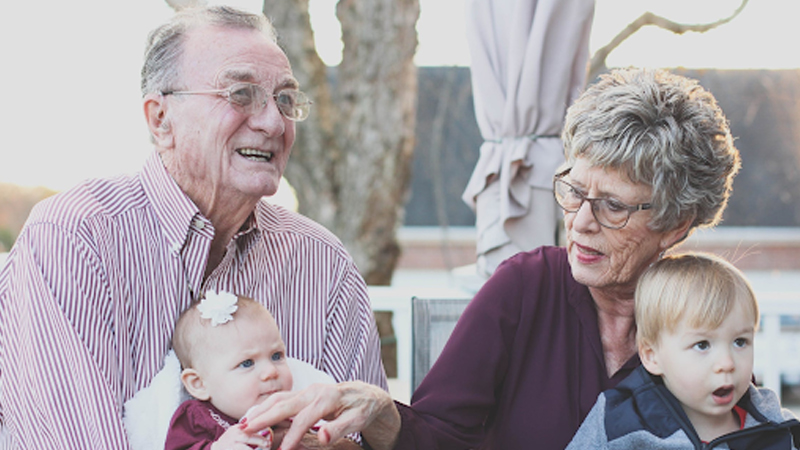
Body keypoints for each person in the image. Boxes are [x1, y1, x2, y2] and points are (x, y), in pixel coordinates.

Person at [240, 67, 744, 450]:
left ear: (675, 225)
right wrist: (379, 411)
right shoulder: (526, 287)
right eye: (573, 189)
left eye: (612, 205)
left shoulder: (706, 312)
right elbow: (437, 435)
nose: (581, 221)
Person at [0, 6, 386, 449]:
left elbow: (364, 439)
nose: (273, 122)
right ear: (160, 120)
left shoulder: (322, 261)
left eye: (284, 100)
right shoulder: (74, 239)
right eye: (241, 94)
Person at [566, 253, 800, 449]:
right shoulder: (618, 423)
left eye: (740, 342)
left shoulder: (775, 429)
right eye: (702, 345)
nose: (727, 363)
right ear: (651, 356)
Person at [165, 292, 291, 450]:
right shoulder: (197, 417)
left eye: (276, 356)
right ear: (199, 384)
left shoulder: (293, 411)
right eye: (246, 363)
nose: (271, 371)